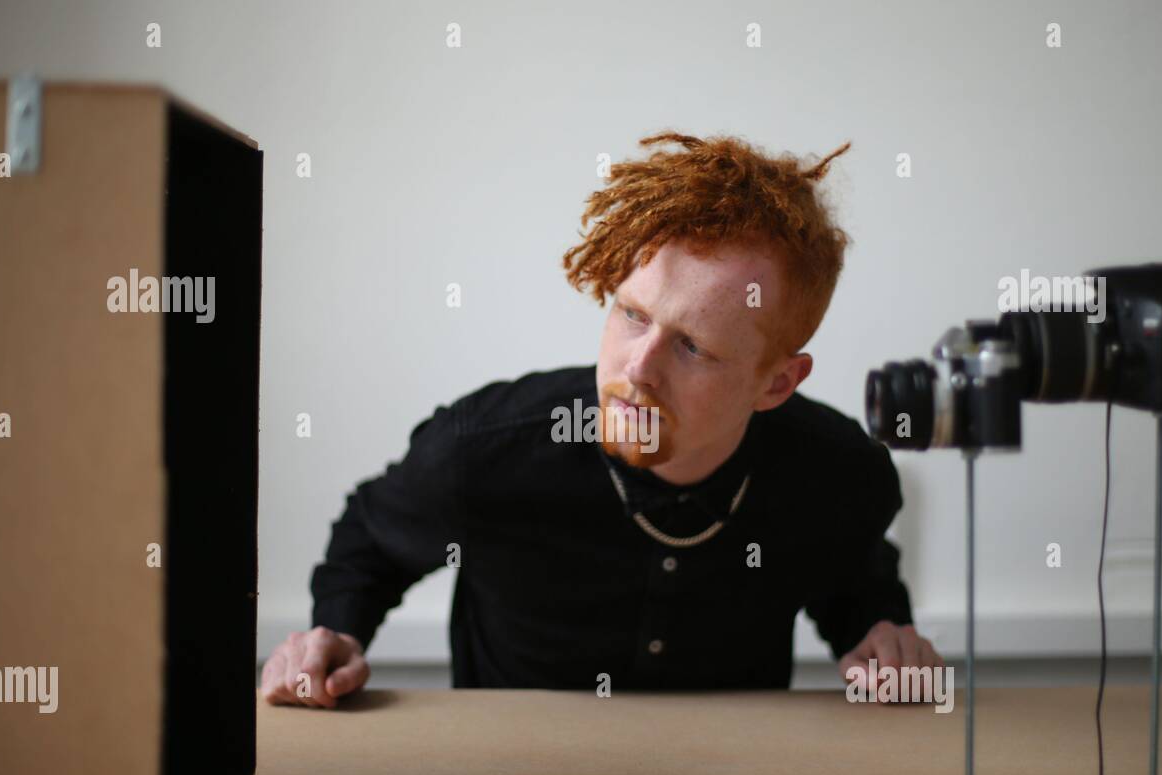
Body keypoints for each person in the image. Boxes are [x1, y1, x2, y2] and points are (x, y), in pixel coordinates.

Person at [262, 130, 943, 708]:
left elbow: (852, 581)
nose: (637, 369)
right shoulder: (485, 450)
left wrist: (882, 640)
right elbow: (371, 540)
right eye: (633, 314)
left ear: (777, 383)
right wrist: (338, 635)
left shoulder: (837, 475)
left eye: (693, 346)